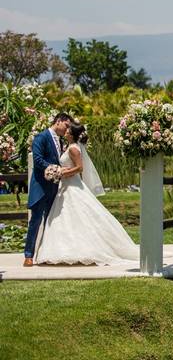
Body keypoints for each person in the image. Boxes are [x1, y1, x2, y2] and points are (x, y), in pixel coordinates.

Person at [34, 122, 141, 266]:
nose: (65, 131)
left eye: (68, 130)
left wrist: (62, 172)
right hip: (65, 187)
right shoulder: (69, 146)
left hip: (72, 186)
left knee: (78, 215)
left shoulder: (73, 149)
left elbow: (79, 168)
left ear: (71, 134)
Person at [24, 112, 72, 266]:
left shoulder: (60, 140)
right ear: (59, 121)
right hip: (40, 187)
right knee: (35, 221)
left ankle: (45, 253)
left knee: (51, 222)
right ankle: (28, 255)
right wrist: (55, 169)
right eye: (66, 125)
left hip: (54, 187)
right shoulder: (41, 137)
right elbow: (37, 159)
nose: (67, 130)